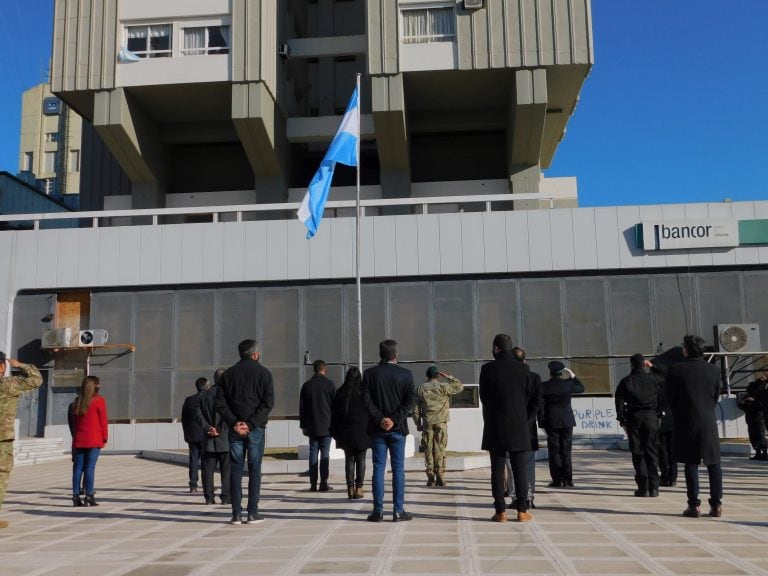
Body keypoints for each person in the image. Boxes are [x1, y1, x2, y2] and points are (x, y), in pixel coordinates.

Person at [215, 339, 274, 525]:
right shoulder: (264, 374)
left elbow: (220, 403)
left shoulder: (228, 375)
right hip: (255, 429)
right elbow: (268, 403)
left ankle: (235, 513)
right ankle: (252, 512)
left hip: (235, 429)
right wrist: (251, 424)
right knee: (255, 469)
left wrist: (234, 423)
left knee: (236, 469)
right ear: (256, 354)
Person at [666, 334, 723, 518]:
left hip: (686, 421)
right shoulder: (714, 370)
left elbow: (670, 398)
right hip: (708, 421)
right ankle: (716, 505)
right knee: (713, 464)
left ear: (687, 349)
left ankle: (693, 505)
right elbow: (715, 396)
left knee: (691, 463)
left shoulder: (676, 370)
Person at [480, 334, 534, 523]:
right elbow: (528, 397)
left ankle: (500, 511)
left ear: (496, 348)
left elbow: (484, 397)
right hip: (519, 425)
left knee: (497, 469)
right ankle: (521, 510)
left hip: (496, 425)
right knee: (520, 469)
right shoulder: (524, 369)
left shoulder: (487, 369)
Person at [361, 339, 417, 522]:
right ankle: (398, 511)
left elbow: (366, 401)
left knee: (378, 468)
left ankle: (378, 511)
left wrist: (380, 419)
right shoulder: (406, 375)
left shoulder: (369, 374)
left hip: (378, 430)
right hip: (398, 429)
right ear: (395, 355)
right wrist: (394, 419)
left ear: (380, 354)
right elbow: (410, 402)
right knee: (398, 469)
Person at [0, 353, 43, 528]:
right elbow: (36, 379)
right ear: (2, 367)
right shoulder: (10, 385)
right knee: (1, 475)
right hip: (2, 440)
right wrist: (20, 364)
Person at [615, 354, 660, 497]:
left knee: (638, 452)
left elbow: (619, 401)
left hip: (634, 418)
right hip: (651, 417)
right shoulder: (653, 379)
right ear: (644, 364)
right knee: (652, 452)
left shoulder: (626, 381)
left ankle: (643, 487)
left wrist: (622, 420)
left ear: (632, 365)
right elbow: (665, 379)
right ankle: (654, 487)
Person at [412, 365, 462, 487]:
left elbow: (416, 408)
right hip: (441, 422)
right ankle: (440, 475)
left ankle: (430, 477)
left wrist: (418, 423)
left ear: (427, 376)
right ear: (438, 375)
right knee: (440, 448)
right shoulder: (444, 387)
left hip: (428, 423)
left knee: (428, 449)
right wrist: (449, 377)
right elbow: (459, 386)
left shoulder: (420, 388)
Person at [505, 346, 543, 510]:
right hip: (528, 427)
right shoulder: (535, 378)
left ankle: (516, 496)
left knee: (512, 463)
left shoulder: (507, 377)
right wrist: (528, 419)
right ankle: (529, 496)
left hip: (511, 426)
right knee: (528, 464)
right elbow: (537, 402)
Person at [540, 360, 584, 488]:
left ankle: (557, 480)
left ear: (550, 373)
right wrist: (573, 376)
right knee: (566, 451)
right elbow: (581, 388)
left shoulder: (544, 386)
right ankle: (568, 480)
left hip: (551, 421)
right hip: (567, 421)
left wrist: (541, 422)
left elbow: (541, 406)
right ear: (561, 373)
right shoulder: (568, 384)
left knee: (554, 452)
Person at [330, 366, 371, 499]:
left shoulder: (341, 392)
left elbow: (334, 413)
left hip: (345, 431)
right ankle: (359, 487)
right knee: (361, 459)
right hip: (362, 431)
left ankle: (349, 487)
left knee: (349, 459)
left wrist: (334, 431)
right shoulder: (364, 392)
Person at [71, 376, 109, 507]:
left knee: (77, 468)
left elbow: (75, 423)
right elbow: (103, 421)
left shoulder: (77, 401)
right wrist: (105, 437)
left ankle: (76, 496)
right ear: (95, 386)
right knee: (90, 467)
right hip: (94, 438)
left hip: (79, 439)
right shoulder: (99, 400)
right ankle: (89, 495)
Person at [299, 359, 337, 492]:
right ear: (324, 369)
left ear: (313, 369)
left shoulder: (307, 385)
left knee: (313, 454)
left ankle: (313, 483)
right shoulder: (330, 385)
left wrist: (303, 425)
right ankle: (324, 483)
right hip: (327, 425)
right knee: (325, 454)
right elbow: (335, 406)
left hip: (311, 426)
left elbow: (302, 408)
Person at [196, 371, 231, 505]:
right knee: (226, 470)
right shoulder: (228, 396)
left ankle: (209, 497)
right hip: (225, 439)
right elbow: (228, 415)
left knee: (207, 470)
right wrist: (220, 429)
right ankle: (226, 496)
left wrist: (207, 428)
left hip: (208, 439)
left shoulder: (204, 395)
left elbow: (198, 414)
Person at [181, 378, 207, 494]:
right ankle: (207, 484)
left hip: (192, 435)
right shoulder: (208, 399)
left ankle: (193, 484)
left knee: (194, 459)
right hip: (206, 435)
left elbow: (184, 419)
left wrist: (186, 434)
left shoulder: (189, 400)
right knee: (207, 461)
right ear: (205, 386)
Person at [742, 374, 767, 460]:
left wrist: (754, 401)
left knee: (761, 435)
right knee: (752, 435)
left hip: (760, 416)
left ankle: (764, 453)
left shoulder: (764, 390)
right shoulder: (753, 387)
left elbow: (763, 403)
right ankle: (758, 453)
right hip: (750, 416)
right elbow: (750, 389)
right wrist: (759, 380)